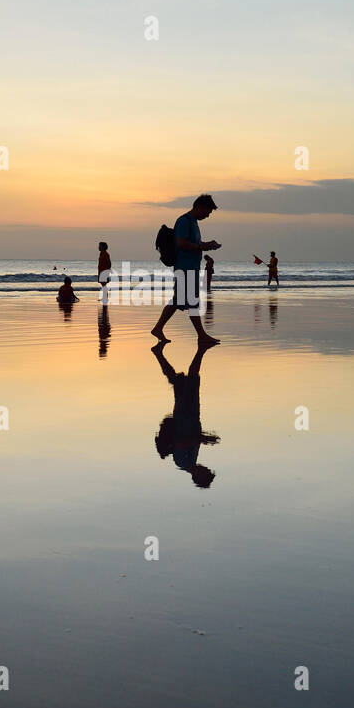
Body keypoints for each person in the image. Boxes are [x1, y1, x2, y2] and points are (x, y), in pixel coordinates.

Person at [150, 194, 220, 345]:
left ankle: (158, 328)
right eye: (207, 212)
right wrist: (203, 246)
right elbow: (181, 243)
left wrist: (208, 244)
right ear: (199, 207)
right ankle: (201, 336)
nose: (207, 216)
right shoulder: (184, 221)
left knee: (181, 301)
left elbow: (195, 243)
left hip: (191, 267)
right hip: (184, 267)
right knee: (187, 302)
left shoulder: (193, 222)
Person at [152, 341, 219, 488]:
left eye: (206, 473)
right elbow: (191, 439)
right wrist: (203, 438)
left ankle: (202, 348)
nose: (207, 469)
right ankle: (158, 353)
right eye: (208, 471)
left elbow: (181, 442)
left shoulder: (182, 463)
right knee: (179, 381)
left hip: (184, 414)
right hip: (192, 414)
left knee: (192, 378)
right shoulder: (192, 460)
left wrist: (203, 438)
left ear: (198, 476)